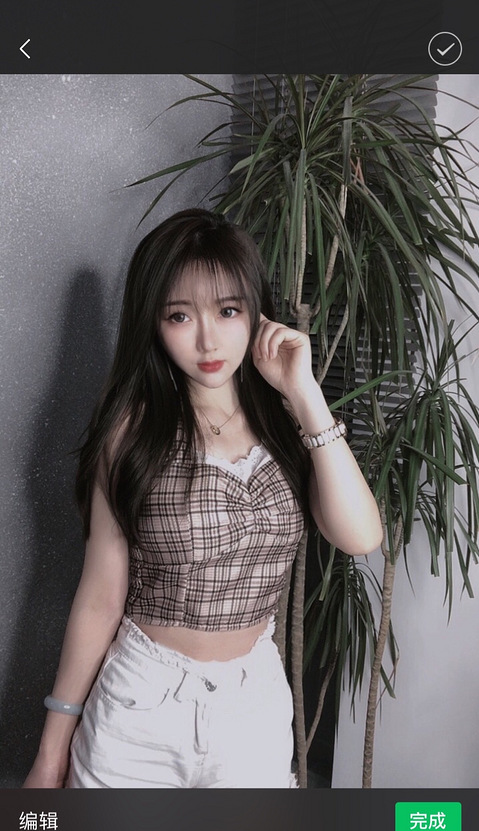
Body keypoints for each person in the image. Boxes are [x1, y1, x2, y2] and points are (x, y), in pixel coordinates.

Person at [23, 208, 383, 789]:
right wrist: (50, 751)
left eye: (228, 310)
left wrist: (305, 393)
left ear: (256, 312)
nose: (208, 340)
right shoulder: (132, 430)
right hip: (141, 704)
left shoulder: (287, 420)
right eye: (180, 315)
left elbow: (361, 537)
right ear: (153, 322)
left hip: (253, 704)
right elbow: (100, 596)